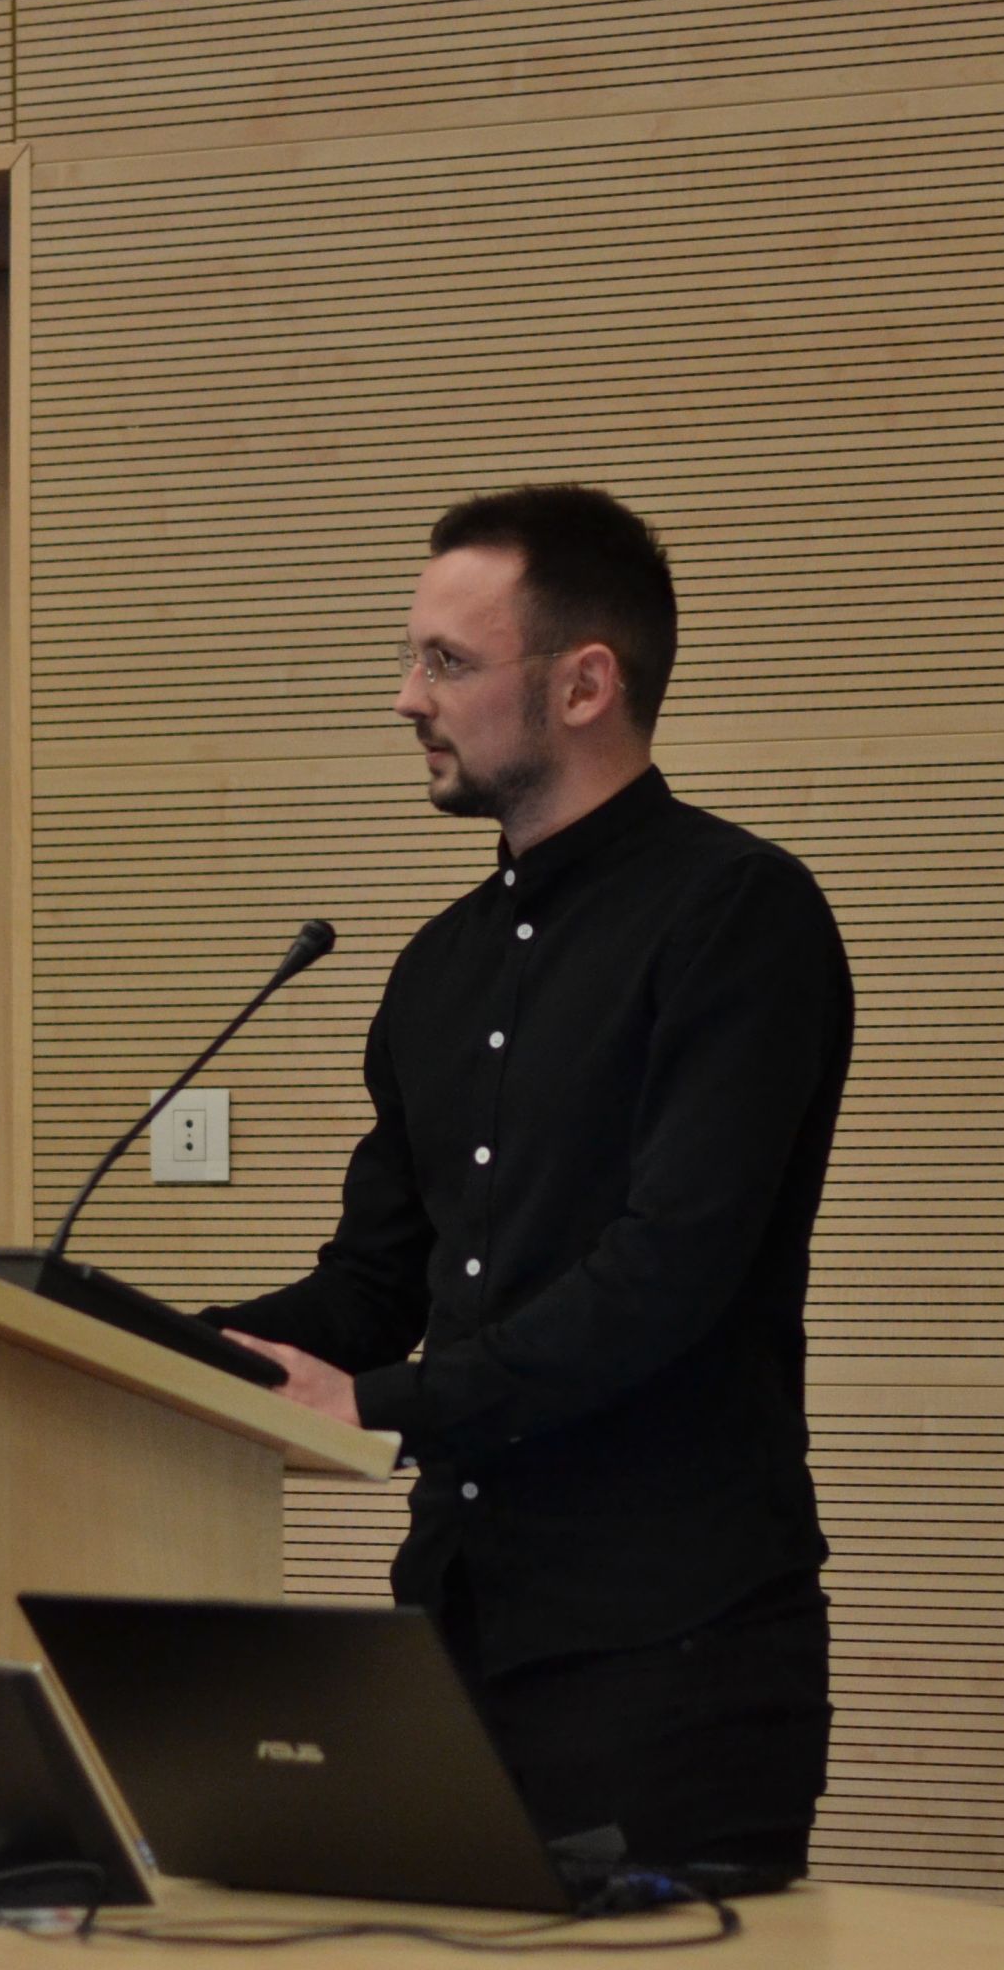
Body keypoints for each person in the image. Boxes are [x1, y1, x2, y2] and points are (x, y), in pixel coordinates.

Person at [209, 483, 855, 1874]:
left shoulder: (739, 915)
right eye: (411, 659)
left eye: (446, 661)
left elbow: (667, 1272)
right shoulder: (437, 967)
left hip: (671, 1658)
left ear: (584, 685)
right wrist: (155, 1347)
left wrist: (380, 1407)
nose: (407, 698)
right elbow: (373, 1286)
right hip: (452, 1635)